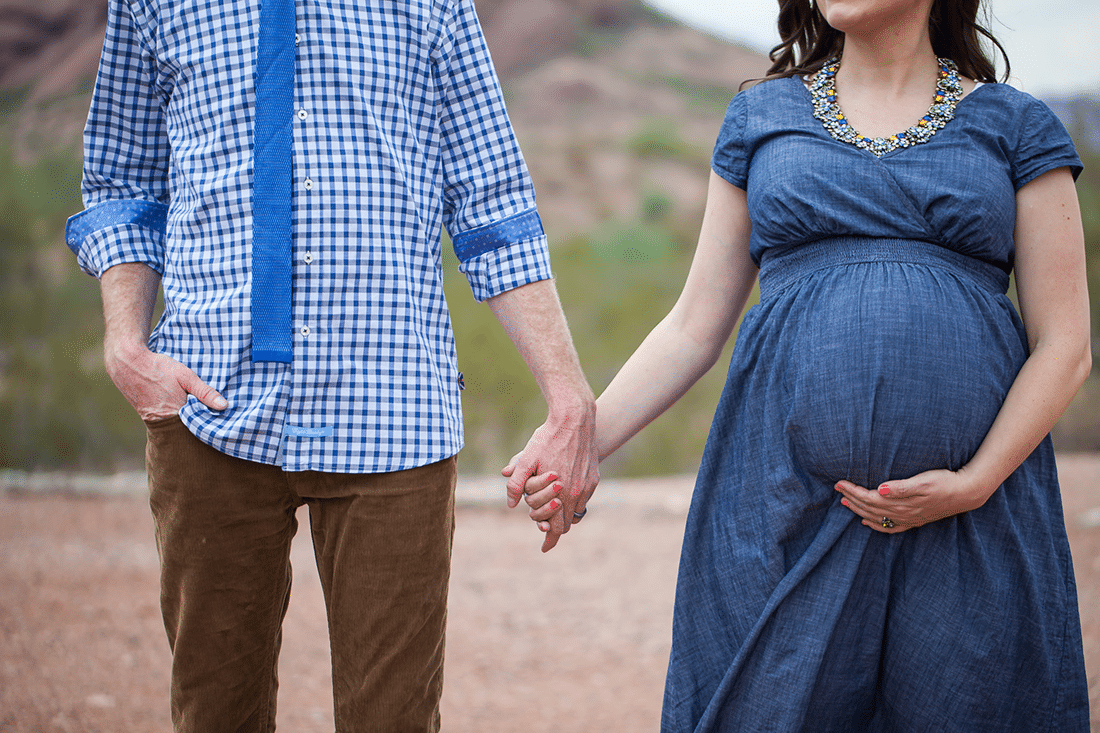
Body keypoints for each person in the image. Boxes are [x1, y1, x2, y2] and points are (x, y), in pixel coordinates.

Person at [516, 0, 1093, 729]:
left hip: (971, 516)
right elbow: (694, 326)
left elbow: (1066, 345)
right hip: (780, 506)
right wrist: (582, 441)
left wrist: (974, 483)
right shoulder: (763, 117)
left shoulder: (1017, 125)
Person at [64, 0, 598, 730]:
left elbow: (493, 199)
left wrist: (569, 400)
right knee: (212, 712)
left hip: (393, 414)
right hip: (208, 409)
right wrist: (124, 341)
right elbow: (123, 177)